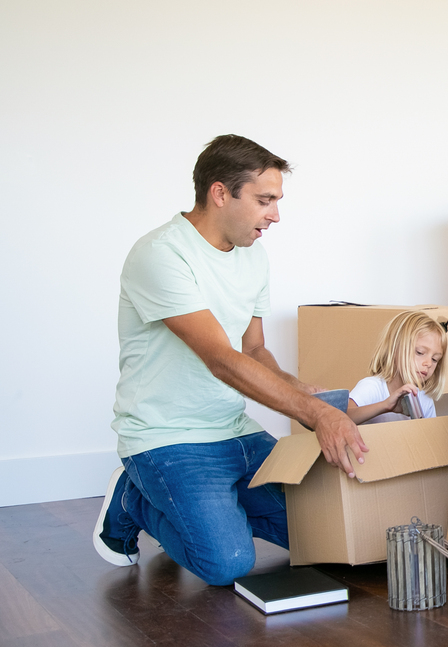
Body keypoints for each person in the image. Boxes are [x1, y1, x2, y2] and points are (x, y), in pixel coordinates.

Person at [95, 134, 368, 586]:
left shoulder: (253, 256)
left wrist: (295, 387)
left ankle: (208, 509)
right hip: (168, 438)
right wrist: (315, 414)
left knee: (322, 536)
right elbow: (220, 359)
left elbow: (254, 350)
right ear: (220, 193)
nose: (275, 215)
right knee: (228, 564)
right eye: (265, 200)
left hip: (234, 432)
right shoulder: (161, 255)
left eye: (277, 201)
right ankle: (131, 499)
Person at [348, 311, 446, 424]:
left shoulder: (425, 399)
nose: (428, 363)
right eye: (420, 352)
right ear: (395, 349)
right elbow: (342, 418)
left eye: (435, 359)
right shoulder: (372, 387)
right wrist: (385, 406)